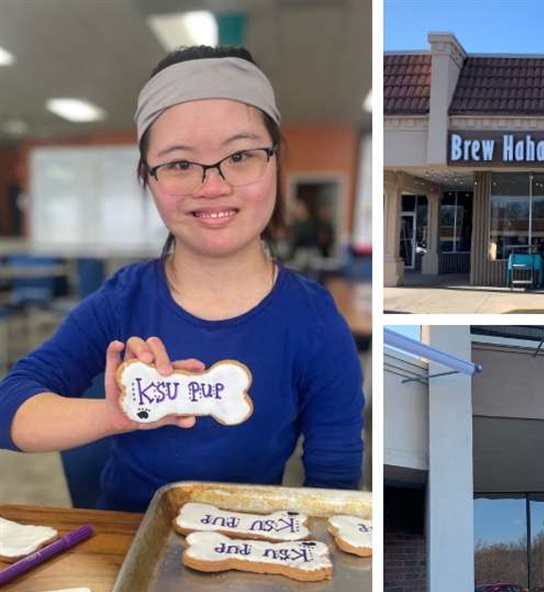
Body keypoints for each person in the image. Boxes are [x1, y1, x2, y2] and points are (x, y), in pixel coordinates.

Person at [0, 46, 364, 512]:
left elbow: (333, 488)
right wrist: (115, 415)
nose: (212, 185)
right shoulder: (121, 302)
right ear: (148, 178)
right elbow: (11, 405)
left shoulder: (314, 320)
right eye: (179, 163)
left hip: (249, 547)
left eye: (241, 155)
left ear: (274, 161)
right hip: (128, 544)